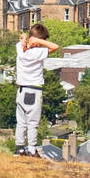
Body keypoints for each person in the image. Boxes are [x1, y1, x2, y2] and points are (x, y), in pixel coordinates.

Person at [14, 22, 58, 156]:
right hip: (34, 90)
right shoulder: (38, 52)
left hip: (21, 90)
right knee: (33, 122)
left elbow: (21, 41)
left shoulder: (20, 49)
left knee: (21, 121)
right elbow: (55, 47)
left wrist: (25, 39)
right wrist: (38, 41)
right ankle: (32, 149)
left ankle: (19, 147)